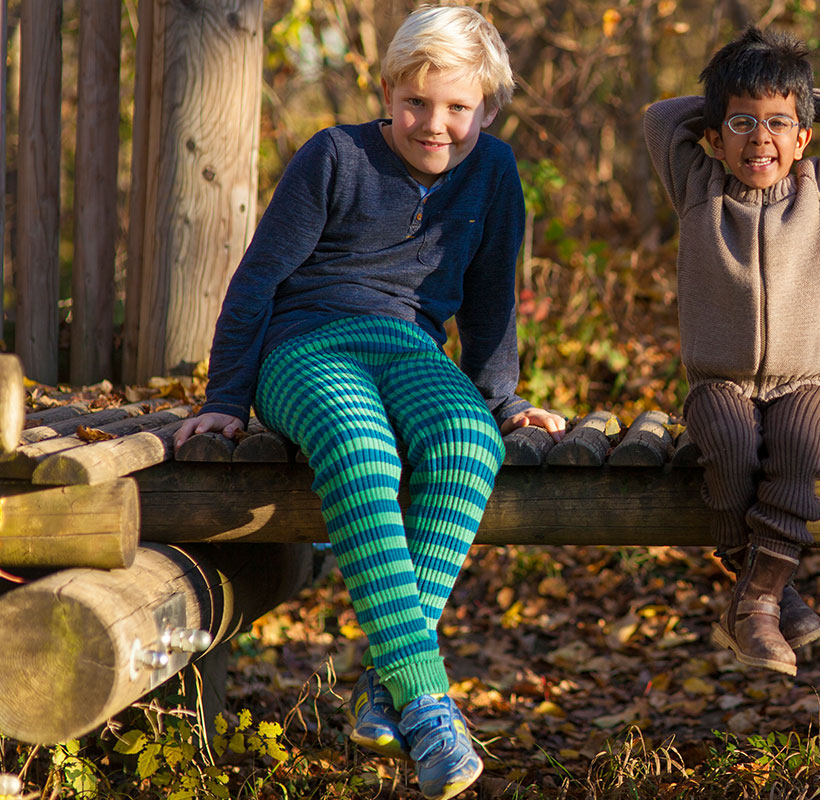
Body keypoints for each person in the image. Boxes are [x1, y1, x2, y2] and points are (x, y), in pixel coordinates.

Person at [173, 6, 564, 798]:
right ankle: (423, 701)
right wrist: (227, 398)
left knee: (464, 441)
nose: (436, 124)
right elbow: (258, 279)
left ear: (485, 108)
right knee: (361, 447)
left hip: (411, 346)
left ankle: (384, 680)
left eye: (459, 108)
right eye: (417, 102)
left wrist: (501, 401)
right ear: (387, 90)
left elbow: (491, 300)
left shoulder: (493, 170)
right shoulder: (335, 156)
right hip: (306, 345)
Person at [643, 26, 820, 676]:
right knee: (726, 440)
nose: (762, 138)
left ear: (805, 138)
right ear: (715, 138)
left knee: (800, 447)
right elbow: (658, 117)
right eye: (743, 124)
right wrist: (726, 98)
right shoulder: (698, 190)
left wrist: (796, 95)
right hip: (718, 383)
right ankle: (776, 594)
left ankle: (754, 605)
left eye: (780, 124)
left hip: (807, 382)